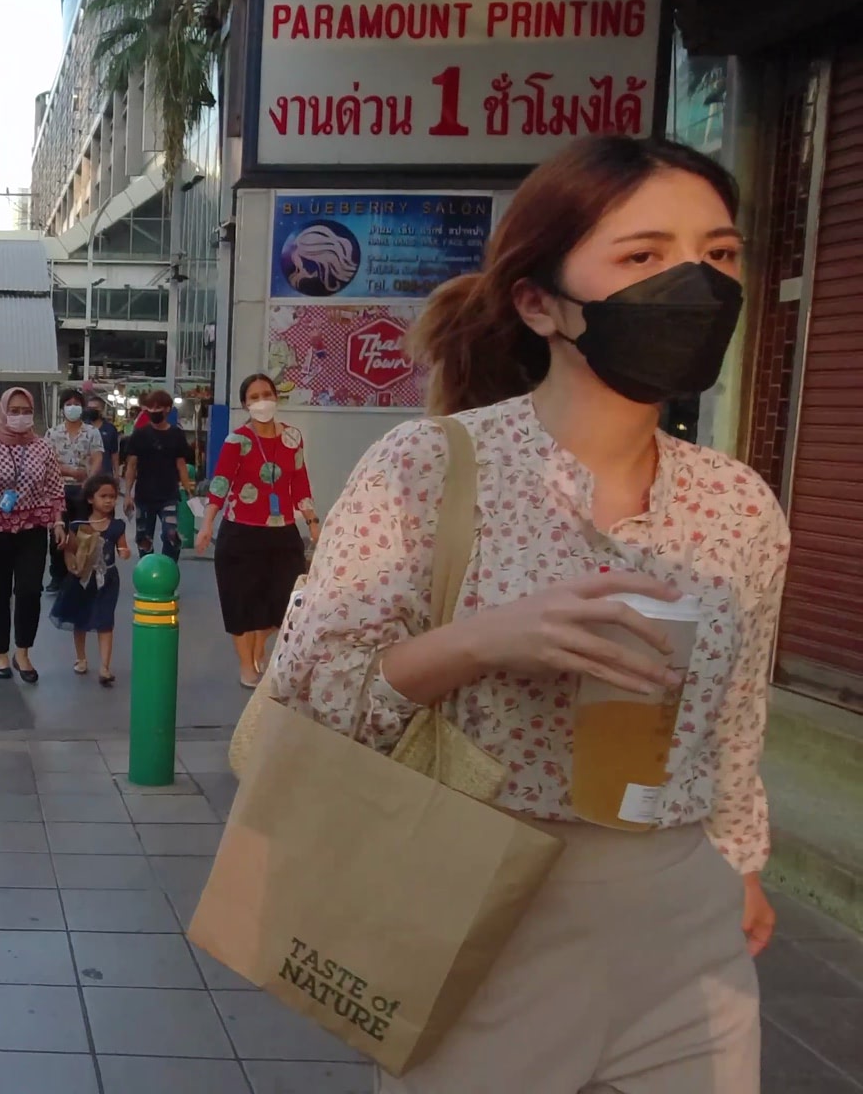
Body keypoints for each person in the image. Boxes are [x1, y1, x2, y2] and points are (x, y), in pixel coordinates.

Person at [273, 135, 786, 1092]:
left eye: (717, 255)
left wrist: (739, 863)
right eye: (643, 257)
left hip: (684, 924)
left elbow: (737, 720)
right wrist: (482, 641)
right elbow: (308, 695)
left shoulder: (741, 505)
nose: (695, 284)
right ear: (539, 301)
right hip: (480, 905)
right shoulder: (426, 470)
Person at [196, 374, 317, 688]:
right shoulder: (237, 440)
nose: (262, 401)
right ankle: (245, 665)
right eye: (254, 397)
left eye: (266, 394)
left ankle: (260, 644)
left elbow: (300, 480)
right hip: (241, 532)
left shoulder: (293, 438)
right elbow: (220, 483)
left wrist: (312, 520)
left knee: (286, 602)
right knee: (241, 602)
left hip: (283, 532)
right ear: (245, 404)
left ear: (276, 397)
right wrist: (207, 524)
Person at [0, 387, 66, 683]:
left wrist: (58, 522)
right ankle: (1, 655)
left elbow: (55, 488)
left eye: (25, 411)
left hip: (31, 530)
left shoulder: (43, 448)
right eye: (14, 411)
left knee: (31, 591)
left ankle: (23, 653)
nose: (20, 417)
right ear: (3, 412)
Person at [50, 473, 129, 686]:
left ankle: (105, 667)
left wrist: (124, 552)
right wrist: (70, 564)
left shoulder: (117, 526)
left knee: (106, 621)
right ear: (90, 499)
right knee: (80, 619)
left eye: (112, 496)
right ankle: (81, 658)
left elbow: (122, 548)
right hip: (83, 577)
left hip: (108, 579)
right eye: (103, 496)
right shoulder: (78, 525)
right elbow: (70, 549)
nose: (109, 500)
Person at [120, 388, 196, 558]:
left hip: (168, 494)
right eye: (150, 408)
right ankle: (147, 571)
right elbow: (131, 465)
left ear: (168, 409)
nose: (154, 412)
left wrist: (189, 490)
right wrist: (127, 494)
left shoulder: (176, 434)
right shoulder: (139, 434)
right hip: (143, 495)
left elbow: (181, 464)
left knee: (171, 536)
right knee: (143, 538)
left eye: (158, 408)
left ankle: (168, 569)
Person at [45, 389, 105, 592]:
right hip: (58, 489)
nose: (72, 407)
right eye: (68, 403)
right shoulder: (52, 433)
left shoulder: (92, 433)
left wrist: (90, 480)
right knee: (57, 532)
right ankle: (57, 576)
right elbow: (47, 461)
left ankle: (81, 571)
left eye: (76, 403)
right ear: (62, 408)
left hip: (83, 490)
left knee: (82, 532)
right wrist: (69, 470)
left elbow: (97, 457)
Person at [87, 398, 121, 477]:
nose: (91, 411)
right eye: (89, 408)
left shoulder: (110, 429)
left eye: (95, 408)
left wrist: (116, 474)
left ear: (101, 410)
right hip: (86, 472)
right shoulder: (82, 427)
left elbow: (114, 454)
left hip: (105, 473)